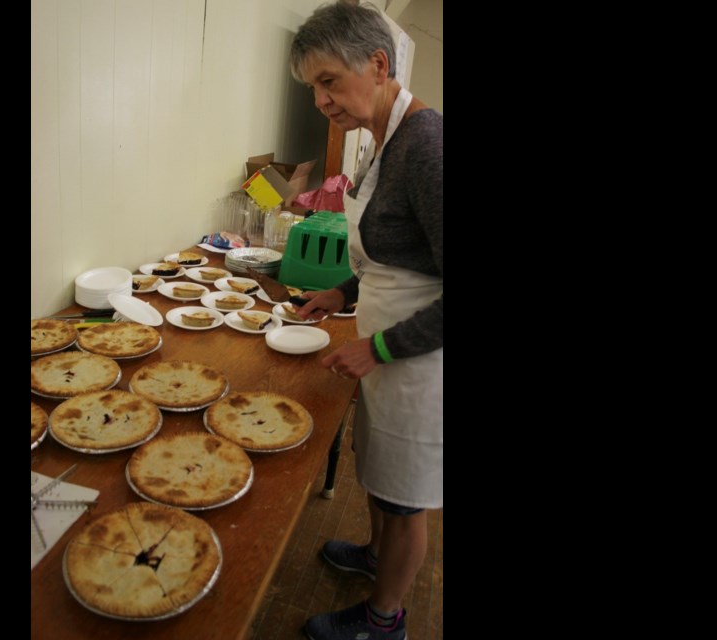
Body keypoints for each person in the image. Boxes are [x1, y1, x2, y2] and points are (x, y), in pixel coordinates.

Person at [288, 2, 442, 639]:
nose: (322, 100)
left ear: (377, 65)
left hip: (418, 358)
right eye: (313, 88)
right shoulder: (381, 140)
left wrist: (377, 349)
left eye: (328, 81)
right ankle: (375, 559)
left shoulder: (427, 146)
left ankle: (386, 621)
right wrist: (343, 291)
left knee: (405, 498)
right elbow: (398, 251)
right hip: (381, 338)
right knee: (378, 471)